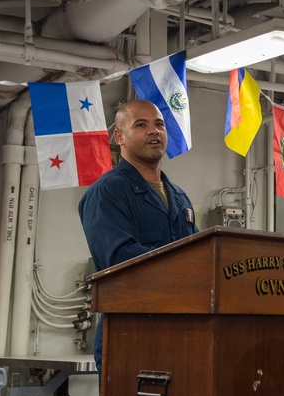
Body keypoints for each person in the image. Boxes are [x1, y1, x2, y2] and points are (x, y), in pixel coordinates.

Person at [79, 99, 199, 370]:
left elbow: (201, 253)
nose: (153, 131)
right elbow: (119, 260)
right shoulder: (108, 192)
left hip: (182, 333)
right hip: (130, 334)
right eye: (141, 125)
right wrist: (186, 267)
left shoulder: (179, 197)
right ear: (119, 136)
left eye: (159, 124)